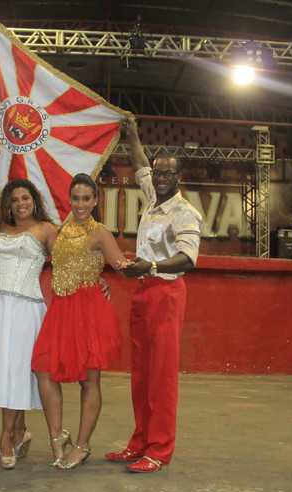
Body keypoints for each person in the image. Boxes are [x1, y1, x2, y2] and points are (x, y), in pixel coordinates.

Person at [105, 117, 203, 474]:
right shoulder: (151, 197)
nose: (159, 177)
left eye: (167, 173)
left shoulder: (185, 213)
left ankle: (159, 450)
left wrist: (150, 266)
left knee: (161, 375)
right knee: (141, 374)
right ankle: (140, 442)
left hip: (166, 292)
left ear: (178, 177)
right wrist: (131, 134)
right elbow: (140, 163)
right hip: (143, 292)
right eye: (158, 173)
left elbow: (187, 258)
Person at [32, 173, 129, 469]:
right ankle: (57, 436)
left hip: (88, 312)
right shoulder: (62, 228)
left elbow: (120, 264)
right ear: (70, 199)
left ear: (96, 200)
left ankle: (83, 445)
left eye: (87, 198)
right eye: (76, 198)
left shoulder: (100, 232)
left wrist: (153, 264)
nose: (81, 204)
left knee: (89, 379)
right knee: (43, 369)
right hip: (61, 310)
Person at [0, 145, 57, 470]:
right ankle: (19, 429)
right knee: (7, 370)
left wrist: (96, 278)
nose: (20, 204)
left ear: (34, 200)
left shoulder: (46, 230)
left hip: (29, 308)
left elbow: (68, 262)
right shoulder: (0, 228)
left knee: (19, 371)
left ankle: (6, 435)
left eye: (25, 198)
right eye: (15, 199)